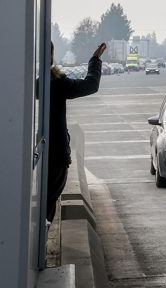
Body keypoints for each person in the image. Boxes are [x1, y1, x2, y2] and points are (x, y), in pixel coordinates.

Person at [47, 42, 105, 224]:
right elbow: (90, 85)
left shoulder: (29, 80)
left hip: (45, 153)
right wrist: (95, 60)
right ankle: (42, 242)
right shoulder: (55, 82)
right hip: (55, 155)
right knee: (48, 205)